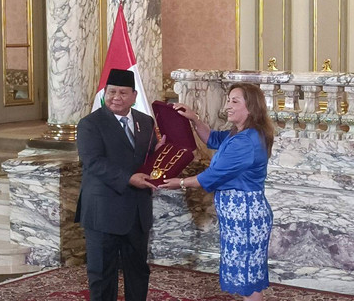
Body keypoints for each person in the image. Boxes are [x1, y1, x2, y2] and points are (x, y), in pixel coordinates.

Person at [159, 83, 274, 301]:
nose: (227, 106)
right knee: (244, 274)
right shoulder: (239, 134)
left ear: (251, 107)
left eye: (234, 101)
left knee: (248, 278)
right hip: (238, 215)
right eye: (228, 100)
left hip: (246, 216)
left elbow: (211, 176)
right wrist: (194, 119)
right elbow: (212, 139)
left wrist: (180, 182)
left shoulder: (246, 142)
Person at [75, 68, 164, 301]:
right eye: (112, 91)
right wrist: (128, 178)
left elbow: (148, 158)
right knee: (102, 273)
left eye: (123, 93)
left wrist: (164, 153)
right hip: (103, 211)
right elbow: (93, 162)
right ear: (104, 93)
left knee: (138, 270)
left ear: (134, 96)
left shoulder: (145, 122)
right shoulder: (90, 124)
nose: (116, 97)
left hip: (137, 210)